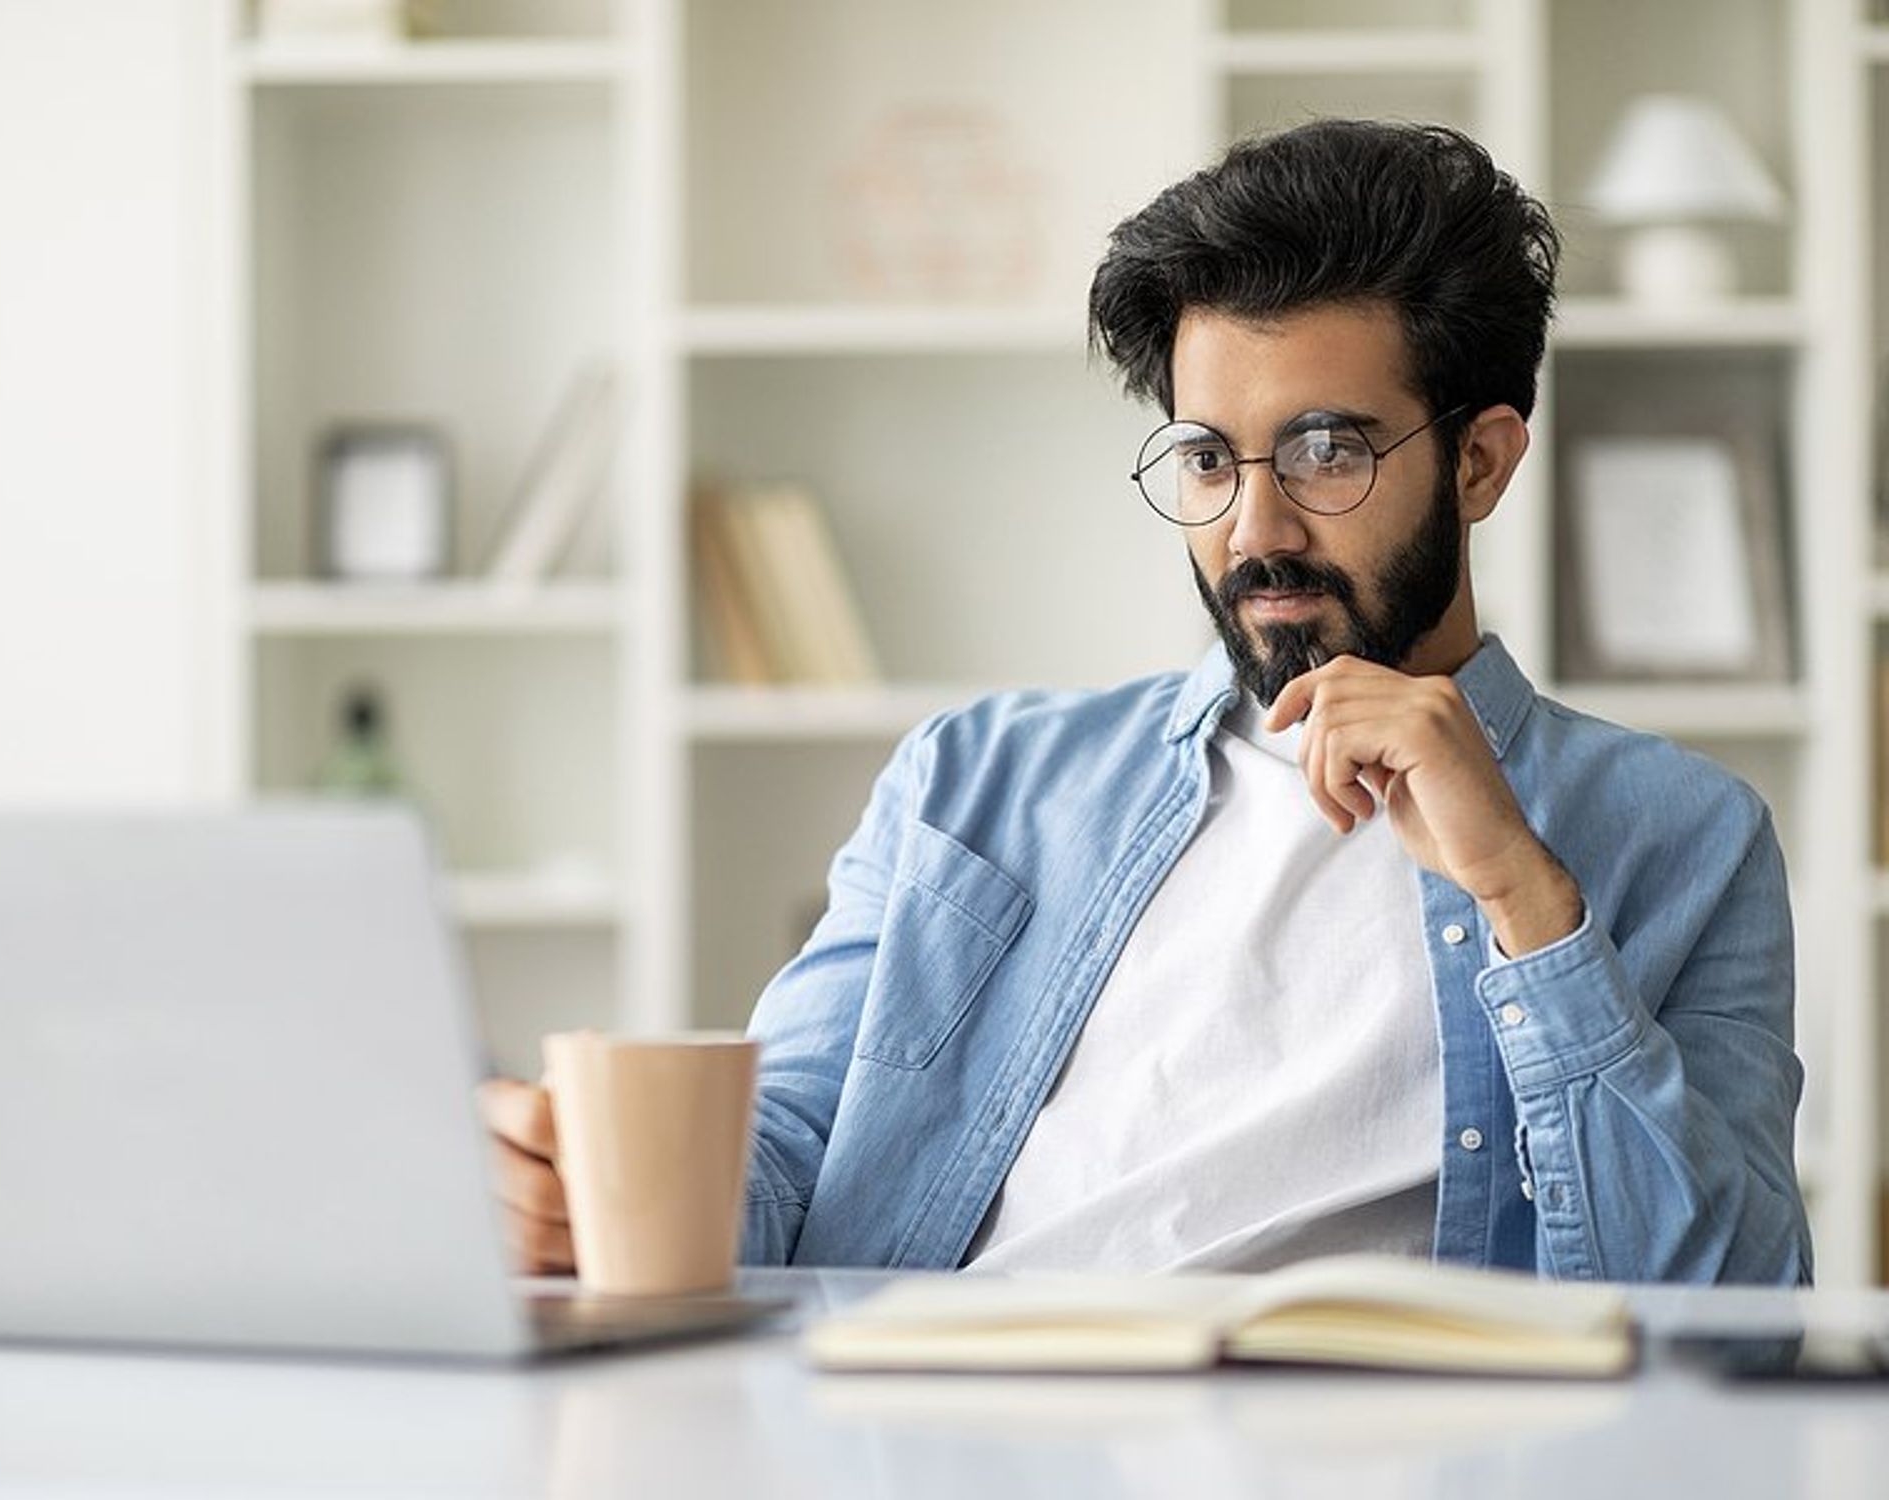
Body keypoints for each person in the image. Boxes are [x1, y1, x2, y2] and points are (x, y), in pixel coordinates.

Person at [482, 119, 1811, 1284]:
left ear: (1478, 460)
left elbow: (1726, 1308)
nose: (1254, 529)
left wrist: (1526, 900)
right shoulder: (978, 779)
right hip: (939, 1435)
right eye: (1205, 458)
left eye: (1329, 449)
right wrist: (584, 1198)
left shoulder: (1679, 835)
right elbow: (793, 1150)